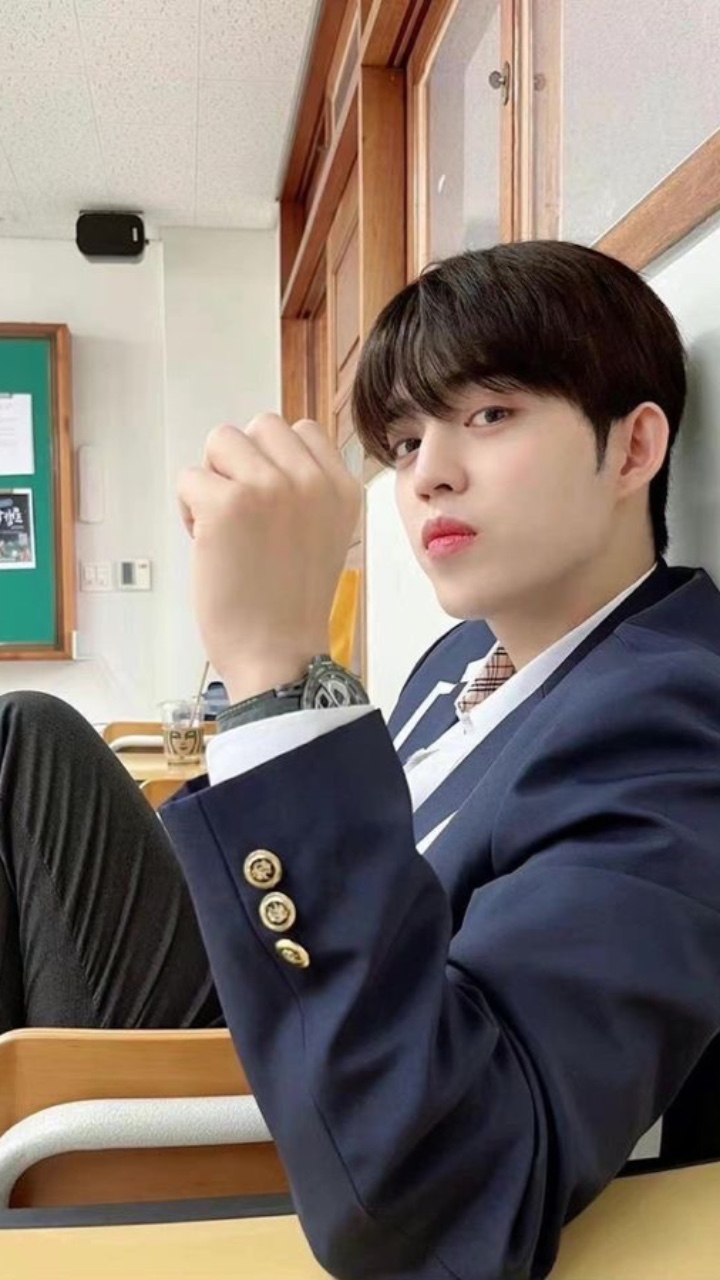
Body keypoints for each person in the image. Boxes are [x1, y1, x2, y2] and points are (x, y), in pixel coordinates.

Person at [0, 239, 717, 1278]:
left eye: (491, 414)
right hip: (303, 998)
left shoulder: (676, 711)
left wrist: (274, 670)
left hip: (328, 1108)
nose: (429, 473)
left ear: (636, 447)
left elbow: (463, 1194)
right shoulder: (459, 658)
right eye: (408, 437)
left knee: (26, 741)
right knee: (29, 739)